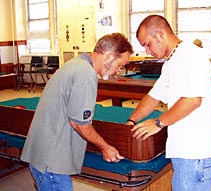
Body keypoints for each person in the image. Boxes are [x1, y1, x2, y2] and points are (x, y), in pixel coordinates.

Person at [21, 33, 133, 191]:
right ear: (109, 56)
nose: (118, 71)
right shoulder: (86, 74)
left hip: (42, 157)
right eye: (120, 65)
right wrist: (105, 147)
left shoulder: (76, 63)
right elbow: (80, 123)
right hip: (51, 164)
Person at [126, 15, 211, 191]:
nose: (147, 51)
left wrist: (158, 123)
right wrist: (131, 121)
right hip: (185, 151)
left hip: (196, 152)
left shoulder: (191, 54)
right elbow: (153, 97)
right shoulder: (172, 62)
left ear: (160, 35)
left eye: (147, 44)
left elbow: (193, 100)